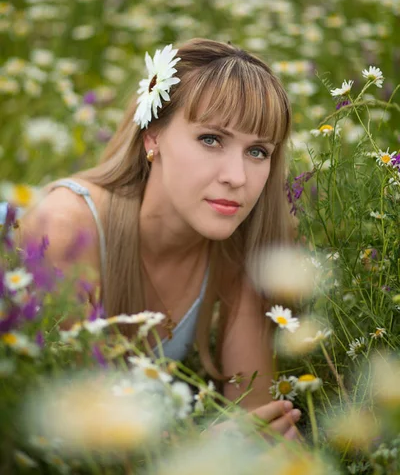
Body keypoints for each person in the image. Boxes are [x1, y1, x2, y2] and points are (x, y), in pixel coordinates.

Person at [13, 38, 300, 438]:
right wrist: (204, 447)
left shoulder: (237, 247)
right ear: (153, 137)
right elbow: (70, 429)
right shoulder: (64, 229)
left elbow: (261, 419)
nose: (237, 177)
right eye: (211, 139)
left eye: (257, 152)